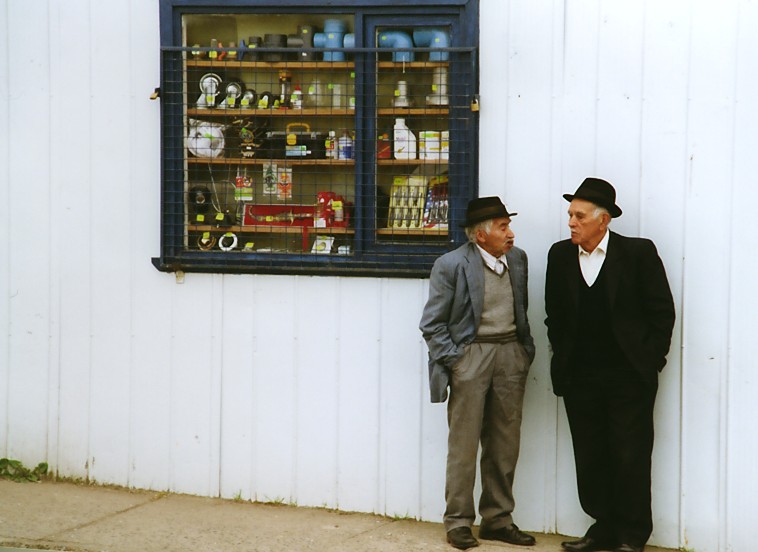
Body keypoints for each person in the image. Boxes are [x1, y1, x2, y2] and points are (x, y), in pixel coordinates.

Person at [544, 178, 676, 552]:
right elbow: (554, 315)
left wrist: (649, 360)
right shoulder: (559, 256)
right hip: (580, 376)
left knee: (630, 454)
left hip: (627, 376)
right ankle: (603, 527)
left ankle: (632, 536)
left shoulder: (637, 253)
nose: (571, 221)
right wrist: (563, 358)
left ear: (603, 220)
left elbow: (661, 312)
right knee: (590, 454)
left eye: (579, 215)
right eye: (570, 214)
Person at [420, 196, 536, 550]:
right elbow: (432, 324)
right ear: (480, 236)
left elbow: (521, 308)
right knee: (464, 445)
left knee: (505, 443)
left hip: (509, 356)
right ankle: (457, 522)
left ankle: (498, 520)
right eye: (503, 227)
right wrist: (457, 361)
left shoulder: (517, 260)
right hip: (471, 356)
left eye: (508, 225)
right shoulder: (451, 264)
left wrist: (522, 352)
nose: (511, 234)